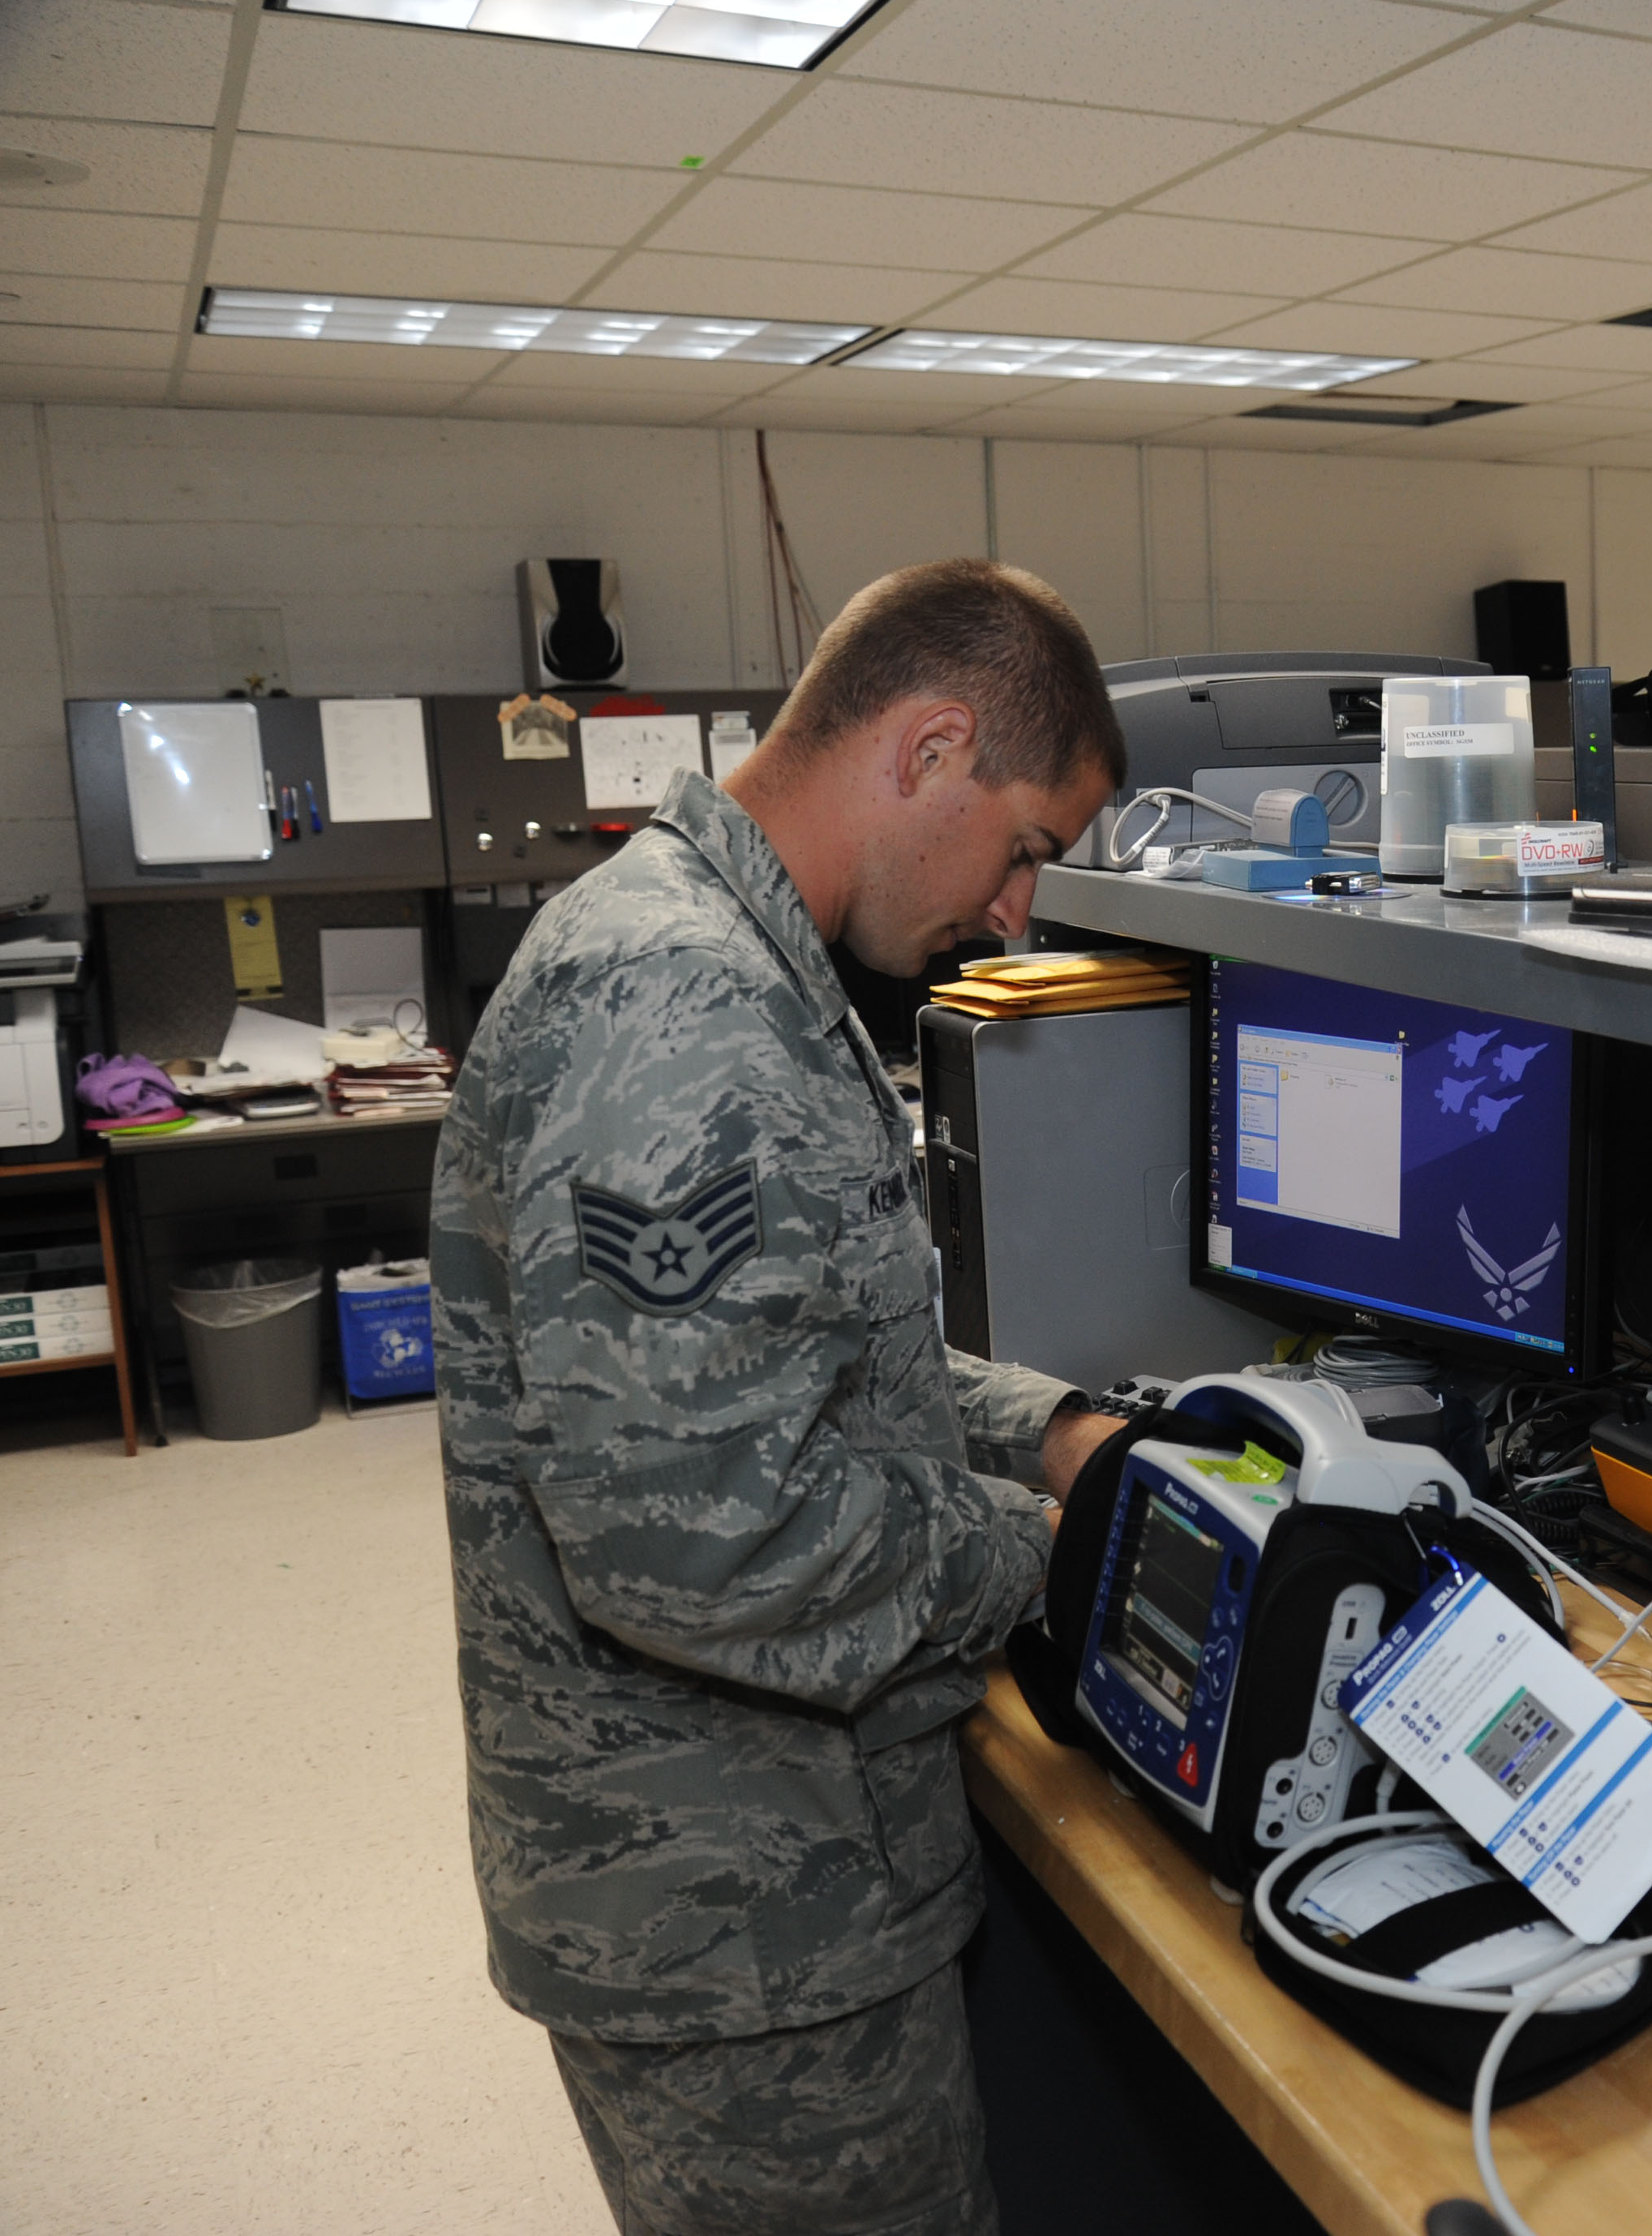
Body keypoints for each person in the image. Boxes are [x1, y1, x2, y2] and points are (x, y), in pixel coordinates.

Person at [430, 560, 1132, 2235]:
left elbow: (805, 1355)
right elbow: (705, 1536)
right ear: (933, 749)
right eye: (1026, 845)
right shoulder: (686, 1006)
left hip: (755, 1883)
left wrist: (1050, 1432)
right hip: (742, 1928)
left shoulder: (722, 954)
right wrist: (1054, 1552)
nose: (1018, 910)